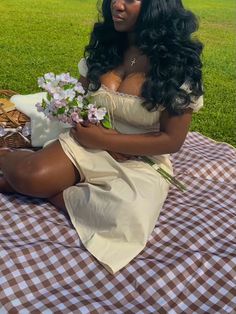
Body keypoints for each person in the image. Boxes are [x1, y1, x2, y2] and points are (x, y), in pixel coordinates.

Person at [0, 0, 203, 273]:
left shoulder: (176, 66)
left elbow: (172, 141)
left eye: (129, 0)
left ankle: (52, 192)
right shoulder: (106, 48)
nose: (116, 5)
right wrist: (81, 123)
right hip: (87, 144)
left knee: (126, 215)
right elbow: (79, 101)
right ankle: (7, 157)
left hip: (140, 158)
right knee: (30, 174)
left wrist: (108, 141)